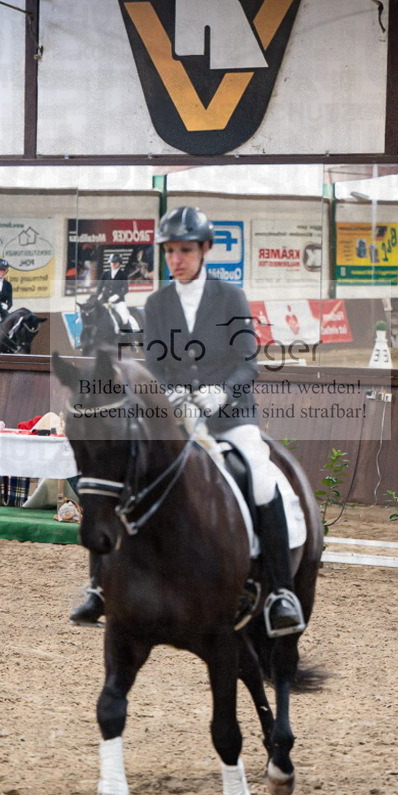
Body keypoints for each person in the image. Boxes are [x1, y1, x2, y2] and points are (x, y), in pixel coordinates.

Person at [147, 206, 303, 636]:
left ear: (205, 250)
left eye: (185, 250)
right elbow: (154, 365)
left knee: (260, 475)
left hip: (232, 416)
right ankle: (106, 584)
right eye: (170, 251)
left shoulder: (230, 297)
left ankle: (280, 593)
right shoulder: (157, 303)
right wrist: (173, 396)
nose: (176, 259)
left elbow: (248, 363)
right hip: (181, 418)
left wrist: (220, 392)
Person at [97, 252, 139, 332]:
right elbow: (99, 289)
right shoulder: (105, 274)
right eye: (112, 262)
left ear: (119, 263)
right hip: (105, 301)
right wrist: (96, 298)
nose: (113, 264)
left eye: (115, 262)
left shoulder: (122, 275)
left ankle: (131, 333)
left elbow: (126, 289)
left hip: (118, 302)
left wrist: (117, 296)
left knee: (124, 317)